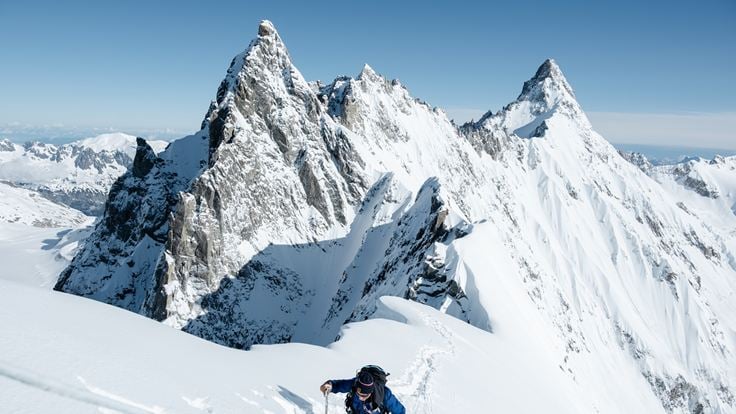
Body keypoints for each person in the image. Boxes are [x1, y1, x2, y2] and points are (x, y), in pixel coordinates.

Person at [320, 367, 405, 414]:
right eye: (359, 394)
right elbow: (338, 385)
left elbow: (400, 411)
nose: (361, 398)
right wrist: (329, 385)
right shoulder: (354, 384)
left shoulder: (385, 394)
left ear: (371, 392)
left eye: (365, 395)